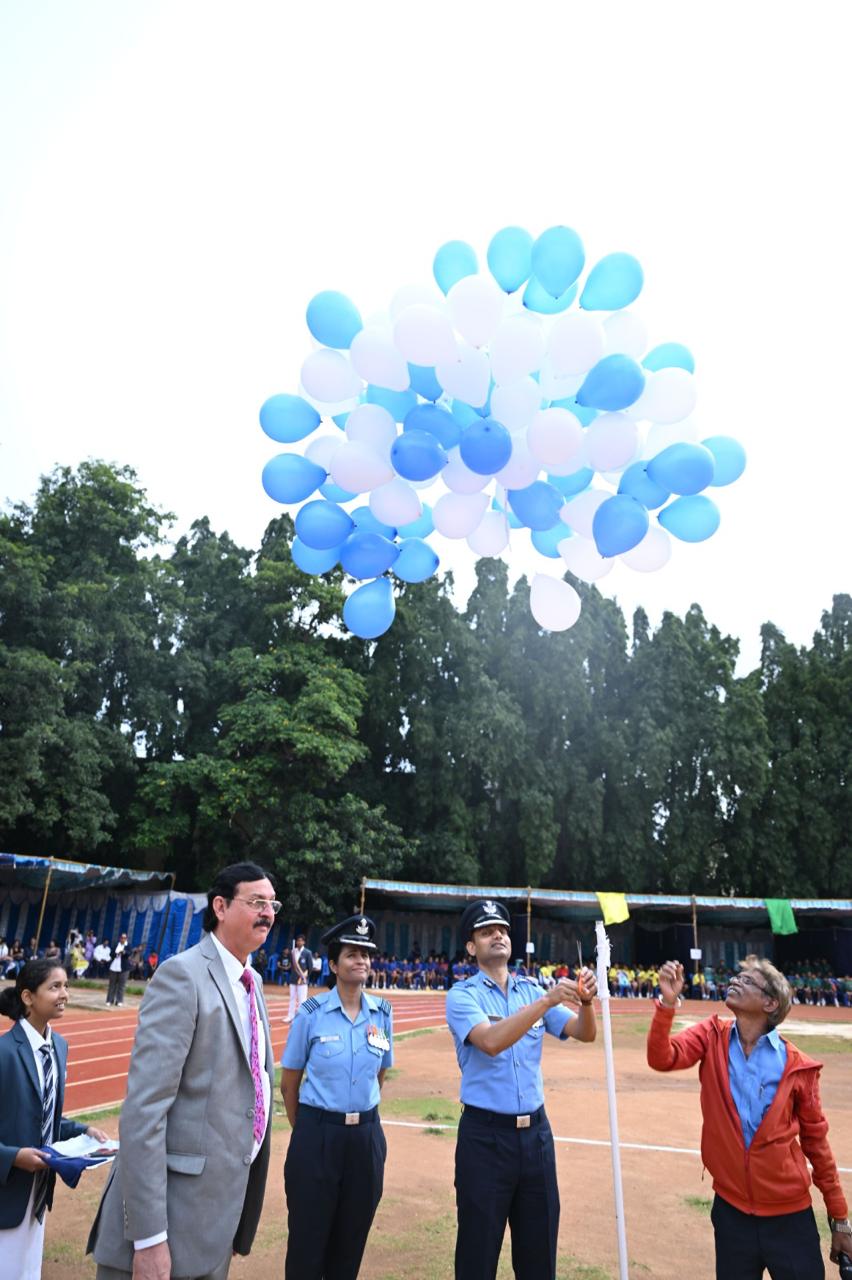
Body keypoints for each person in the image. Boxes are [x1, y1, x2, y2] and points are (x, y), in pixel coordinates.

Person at [87, 861, 278, 1280]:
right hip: (167, 1226)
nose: (267, 912)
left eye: (272, 904)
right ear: (220, 907)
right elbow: (145, 1111)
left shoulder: (252, 982)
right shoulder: (182, 976)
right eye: (256, 902)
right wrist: (149, 1238)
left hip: (215, 1221)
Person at [648, 955, 852, 1279]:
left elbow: (817, 1146)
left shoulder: (798, 1067)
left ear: (770, 1003)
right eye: (737, 977)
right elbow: (662, 1058)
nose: (734, 981)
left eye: (747, 981)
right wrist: (668, 1003)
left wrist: (839, 1218)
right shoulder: (711, 1036)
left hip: (789, 1217)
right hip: (732, 1216)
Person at [446, 899, 598, 1280]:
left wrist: (586, 1002)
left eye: (502, 930)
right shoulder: (463, 996)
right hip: (485, 1139)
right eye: (486, 932)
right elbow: (491, 1041)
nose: (498, 936)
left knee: (539, 1256)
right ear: (471, 947)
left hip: (536, 1138)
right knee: (478, 1255)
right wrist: (546, 1001)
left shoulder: (530, 990)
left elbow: (584, 1032)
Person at [280, 914, 392, 1280]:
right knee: (307, 1243)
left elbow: (380, 1072)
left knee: (351, 1240)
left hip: (365, 1138)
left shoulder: (382, 1013)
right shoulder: (311, 1014)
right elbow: (289, 1083)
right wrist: (311, 1129)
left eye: (366, 954)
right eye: (352, 954)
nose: (361, 960)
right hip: (317, 1136)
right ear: (332, 965)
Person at [0, 959, 109, 1280]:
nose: (65, 994)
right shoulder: (4, 1053)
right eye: (55, 987)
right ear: (28, 997)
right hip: (6, 1189)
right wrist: (12, 1157)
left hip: (38, 1191)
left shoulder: (58, 1047)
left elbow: (45, 1114)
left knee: (28, 1270)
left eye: (66, 986)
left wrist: (84, 1131)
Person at [285, 932, 313, 1023]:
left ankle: (301, 1018)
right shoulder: (293, 952)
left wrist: (304, 977)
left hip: (302, 980)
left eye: (301, 941)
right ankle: (290, 1016)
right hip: (293, 978)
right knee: (292, 998)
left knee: (302, 999)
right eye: (298, 941)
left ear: (304, 942)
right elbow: (292, 965)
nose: (299, 942)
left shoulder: (307, 953)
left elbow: (310, 967)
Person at [106, 933, 131, 1007]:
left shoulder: (128, 946)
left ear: (126, 939)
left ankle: (119, 1000)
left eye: (124, 938)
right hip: (114, 967)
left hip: (123, 968)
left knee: (121, 985)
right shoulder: (116, 945)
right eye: (122, 938)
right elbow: (111, 954)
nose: (123, 939)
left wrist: (124, 952)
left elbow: (129, 953)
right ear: (120, 938)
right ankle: (109, 1000)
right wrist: (116, 953)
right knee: (112, 985)